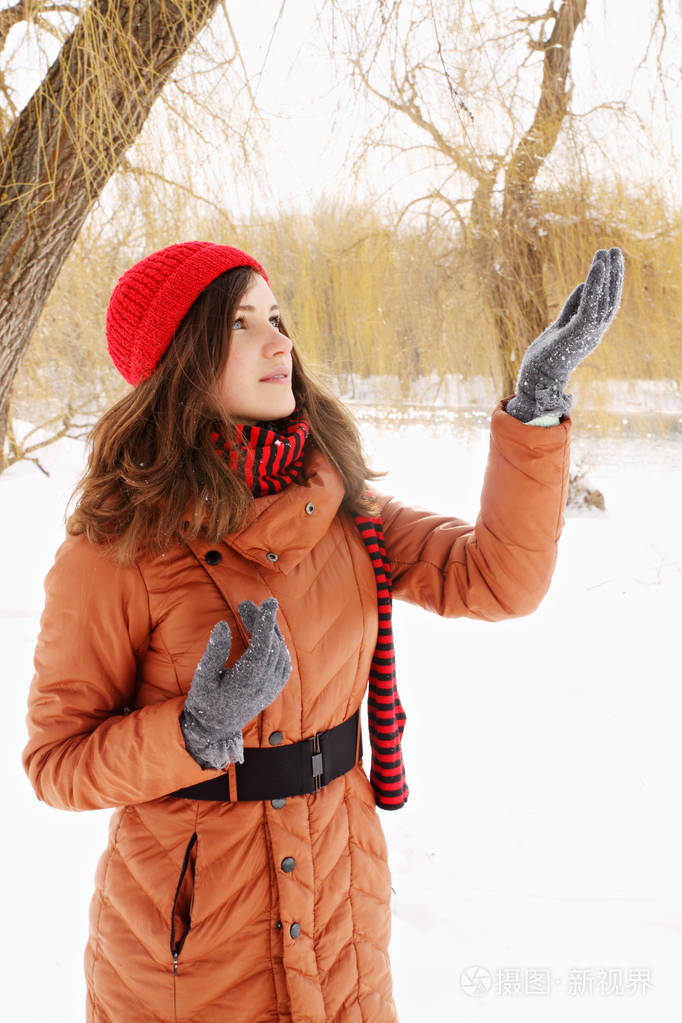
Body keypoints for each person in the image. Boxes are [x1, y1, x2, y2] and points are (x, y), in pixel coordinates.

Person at [22, 241, 623, 1023]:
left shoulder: (343, 510)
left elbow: (496, 578)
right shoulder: (116, 547)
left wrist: (536, 406)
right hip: (191, 959)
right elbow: (56, 761)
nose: (280, 342)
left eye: (277, 317)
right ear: (180, 360)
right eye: (241, 324)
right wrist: (194, 729)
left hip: (342, 920)